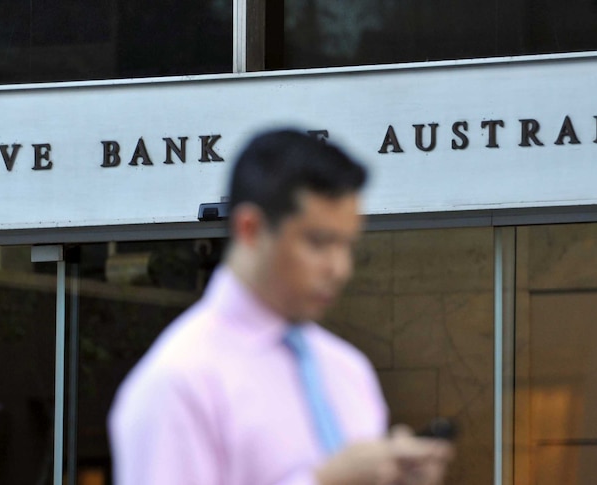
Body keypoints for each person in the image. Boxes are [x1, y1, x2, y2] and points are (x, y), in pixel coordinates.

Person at [109, 129, 453, 485]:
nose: (340, 268)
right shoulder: (178, 384)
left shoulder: (349, 370)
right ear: (250, 229)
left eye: (347, 245)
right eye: (319, 242)